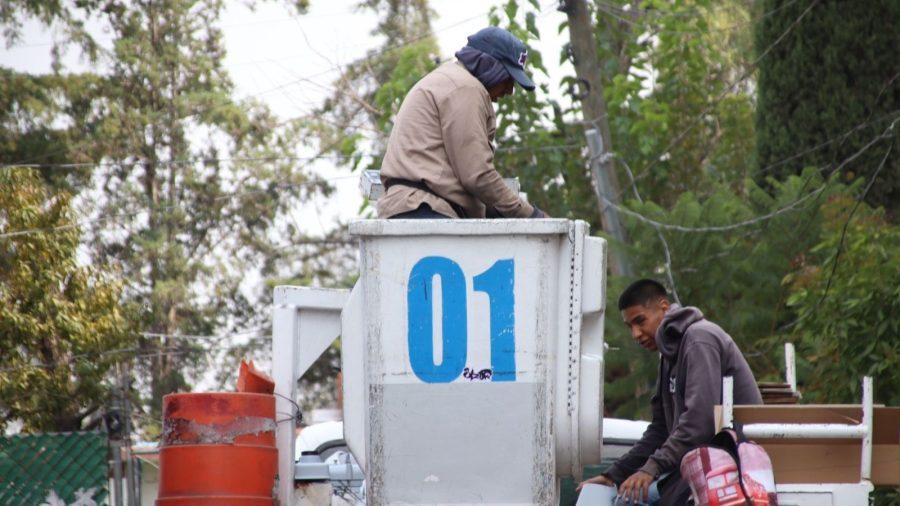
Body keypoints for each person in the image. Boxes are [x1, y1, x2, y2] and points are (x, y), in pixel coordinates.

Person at [578, 279, 763, 505]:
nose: (635, 333)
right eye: (630, 327)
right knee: (613, 497)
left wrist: (651, 469)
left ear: (664, 308)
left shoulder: (699, 339)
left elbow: (699, 421)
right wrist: (613, 475)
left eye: (640, 321)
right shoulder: (669, 354)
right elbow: (660, 429)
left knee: (628, 501)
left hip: (729, 463)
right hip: (696, 464)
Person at [376, 26, 546, 219]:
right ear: (489, 66)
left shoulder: (449, 79)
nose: (509, 91)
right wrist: (532, 216)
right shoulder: (466, 88)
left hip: (411, 207)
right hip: (425, 209)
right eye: (508, 78)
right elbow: (478, 176)